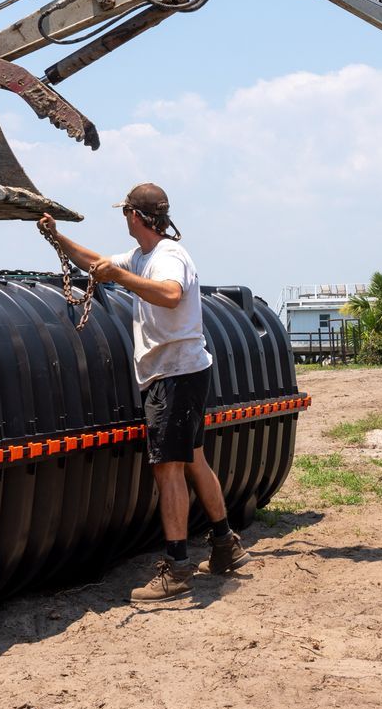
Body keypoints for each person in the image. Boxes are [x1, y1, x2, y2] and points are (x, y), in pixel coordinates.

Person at [38, 183, 245, 602]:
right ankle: (224, 546)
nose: (124, 220)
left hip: (174, 375)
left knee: (167, 468)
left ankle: (178, 568)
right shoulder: (142, 256)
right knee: (194, 460)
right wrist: (57, 237)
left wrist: (122, 279)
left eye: (125, 213)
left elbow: (171, 295)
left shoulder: (168, 257)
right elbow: (97, 262)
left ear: (135, 215)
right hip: (181, 373)